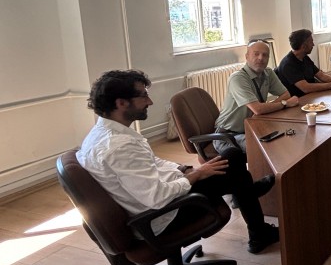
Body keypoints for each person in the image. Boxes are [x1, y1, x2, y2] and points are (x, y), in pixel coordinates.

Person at [78, 70, 279, 254]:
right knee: (234, 162)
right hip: (163, 216)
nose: (150, 102)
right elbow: (158, 198)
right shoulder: (119, 147)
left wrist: (184, 169)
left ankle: (247, 200)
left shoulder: (103, 133)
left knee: (232, 161)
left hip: (158, 200)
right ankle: (251, 208)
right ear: (121, 103)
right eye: (143, 96)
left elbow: (153, 163)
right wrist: (196, 175)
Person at [214, 40, 299, 153]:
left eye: (265, 55)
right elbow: (257, 109)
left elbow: (286, 94)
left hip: (253, 126)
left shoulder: (268, 73)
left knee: (289, 137)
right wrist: (285, 104)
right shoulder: (238, 78)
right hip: (229, 134)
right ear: (247, 56)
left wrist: (266, 108)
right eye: (256, 54)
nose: (260, 58)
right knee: (266, 147)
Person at [277, 28, 331, 97]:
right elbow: (306, 88)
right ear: (304, 46)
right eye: (311, 42)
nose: (313, 44)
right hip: (300, 101)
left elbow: (322, 76)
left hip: (311, 96)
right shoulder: (288, 64)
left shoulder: (305, 57)